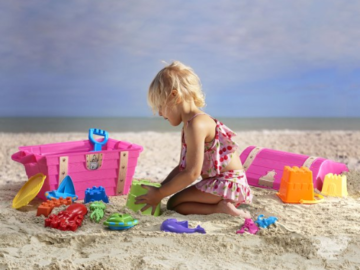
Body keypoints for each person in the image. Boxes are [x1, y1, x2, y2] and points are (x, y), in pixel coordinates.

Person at [135, 61, 253, 219]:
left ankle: (220, 208)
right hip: (223, 184)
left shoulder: (196, 125)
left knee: (173, 203)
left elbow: (192, 173)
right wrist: (159, 188)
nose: (160, 113)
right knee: (177, 203)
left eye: (160, 106)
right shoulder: (189, 125)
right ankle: (221, 205)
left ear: (174, 96)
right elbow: (182, 168)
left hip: (227, 184)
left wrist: (160, 194)